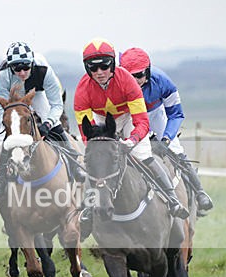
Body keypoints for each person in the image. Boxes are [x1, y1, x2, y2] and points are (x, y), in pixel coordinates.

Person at [74, 38, 189, 220]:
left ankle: (172, 198)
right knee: (96, 159)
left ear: (112, 64)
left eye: (104, 66)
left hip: (128, 117)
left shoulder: (127, 81)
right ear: (87, 68)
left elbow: (142, 121)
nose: (99, 72)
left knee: (143, 155)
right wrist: (97, 147)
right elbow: (84, 130)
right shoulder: (82, 90)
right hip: (101, 120)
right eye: (93, 68)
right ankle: (89, 207)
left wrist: (132, 141)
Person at [119, 47, 213, 212]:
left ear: (148, 71)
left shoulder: (163, 81)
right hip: (129, 116)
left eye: (139, 75)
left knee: (175, 150)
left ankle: (199, 192)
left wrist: (166, 140)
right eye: (130, 76)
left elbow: (176, 114)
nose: (135, 81)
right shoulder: (117, 82)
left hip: (154, 115)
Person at [0, 42, 84, 197]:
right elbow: (1, 110)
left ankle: (74, 163)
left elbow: (56, 104)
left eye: (26, 67)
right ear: (10, 67)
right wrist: (9, 130)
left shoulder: (43, 69)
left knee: (55, 125)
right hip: (9, 101)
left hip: (37, 92)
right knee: (7, 139)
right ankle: (0, 178)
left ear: (32, 63)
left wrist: (48, 123)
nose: (21, 72)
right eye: (17, 69)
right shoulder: (1, 76)